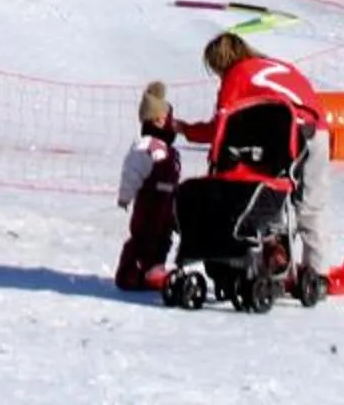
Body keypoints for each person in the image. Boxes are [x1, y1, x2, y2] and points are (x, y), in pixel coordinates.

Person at [181, 31, 330, 277]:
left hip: (290, 134)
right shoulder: (278, 65)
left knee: (265, 193)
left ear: (221, 63)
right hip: (317, 129)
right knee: (311, 207)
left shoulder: (236, 75)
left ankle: (263, 260)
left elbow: (222, 125)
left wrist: (187, 130)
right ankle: (317, 273)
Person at [114, 81, 183, 291]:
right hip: (149, 202)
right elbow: (131, 173)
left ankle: (155, 268)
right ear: (156, 120)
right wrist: (125, 196)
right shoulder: (145, 147)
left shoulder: (171, 151)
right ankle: (131, 270)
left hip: (167, 203)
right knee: (144, 235)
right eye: (166, 120)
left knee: (163, 237)